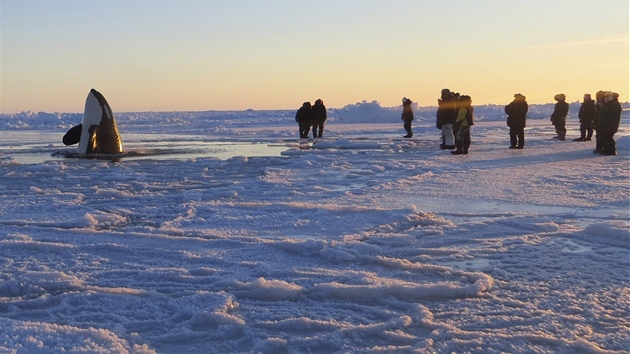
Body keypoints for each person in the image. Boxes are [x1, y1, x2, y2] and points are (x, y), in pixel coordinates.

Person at [596, 91, 622, 155]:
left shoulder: (615, 104)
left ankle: (611, 151)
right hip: (606, 125)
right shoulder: (609, 104)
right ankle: (606, 149)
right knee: (605, 138)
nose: (606, 99)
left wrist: (603, 107)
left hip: (611, 125)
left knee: (608, 138)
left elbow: (609, 111)